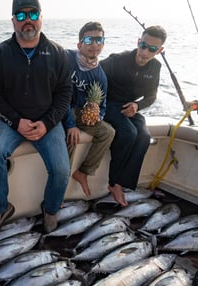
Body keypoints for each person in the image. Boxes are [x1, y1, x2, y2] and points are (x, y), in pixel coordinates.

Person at [0, 0, 71, 234]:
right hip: (11, 122)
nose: (27, 20)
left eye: (32, 14)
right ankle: (0, 208)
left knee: (62, 169)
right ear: (13, 21)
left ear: (41, 17)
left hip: (48, 123)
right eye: (20, 16)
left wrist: (48, 123)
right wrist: (15, 121)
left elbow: (65, 93)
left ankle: (50, 210)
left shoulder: (58, 53)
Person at [100, 25, 166, 206]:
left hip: (129, 107)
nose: (145, 52)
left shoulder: (155, 67)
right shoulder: (117, 60)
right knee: (129, 132)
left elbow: (151, 96)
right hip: (107, 104)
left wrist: (137, 105)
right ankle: (114, 183)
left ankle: (122, 183)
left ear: (159, 51)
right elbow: (94, 72)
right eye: (143, 45)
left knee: (144, 136)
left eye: (152, 49)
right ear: (138, 42)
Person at [63, 21, 115, 198]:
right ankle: (60, 188)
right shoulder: (66, 58)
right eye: (89, 40)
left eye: (99, 40)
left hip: (83, 113)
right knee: (71, 137)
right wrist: (71, 124)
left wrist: (97, 116)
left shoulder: (100, 75)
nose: (94, 44)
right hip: (61, 110)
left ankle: (84, 172)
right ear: (79, 44)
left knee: (108, 132)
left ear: (103, 44)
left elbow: (103, 105)